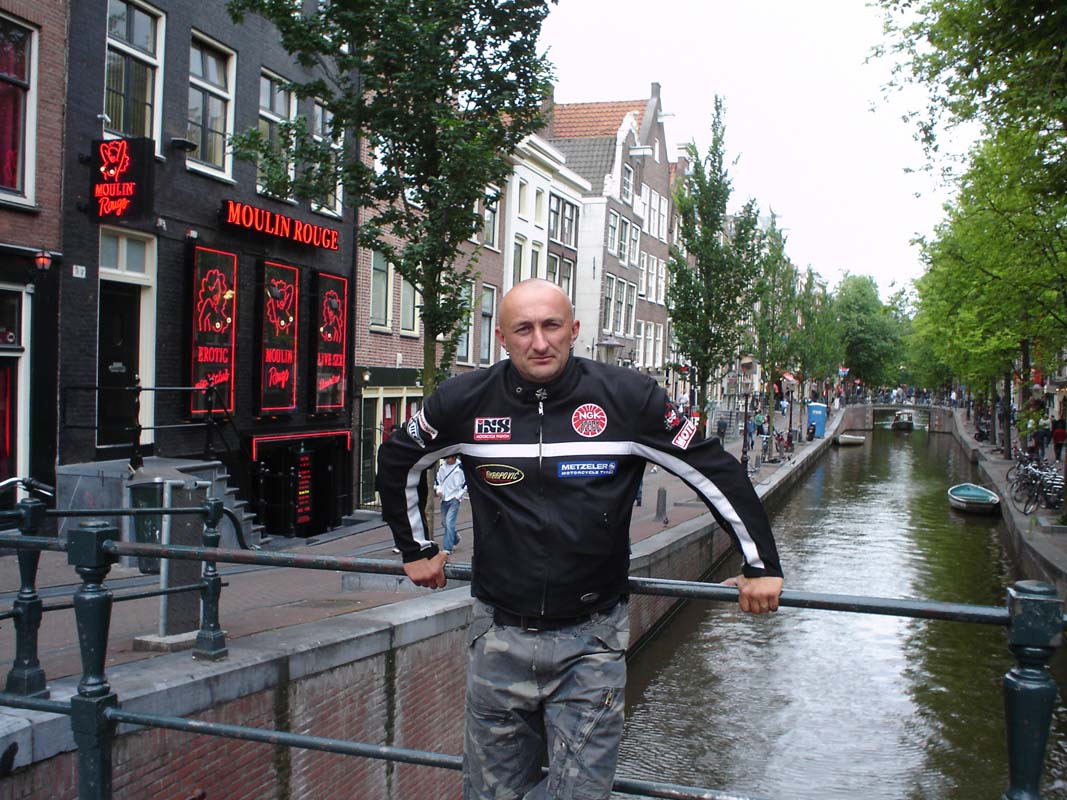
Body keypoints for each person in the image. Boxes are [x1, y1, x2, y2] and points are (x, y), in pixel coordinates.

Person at [376, 279, 783, 800]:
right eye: (524, 329)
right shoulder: (464, 400)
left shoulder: (629, 398)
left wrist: (760, 564)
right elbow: (399, 459)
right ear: (502, 337)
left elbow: (713, 469)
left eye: (551, 326)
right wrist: (415, 549)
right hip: (499, 635)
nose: (539, 342)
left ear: (574, 330)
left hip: (591, 642)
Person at [434, 454, 466, 554]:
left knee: (449, 522)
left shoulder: (461, 467)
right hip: (444, 498)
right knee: (445, 523)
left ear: (454, 457)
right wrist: (438, 490)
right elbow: (437, 479)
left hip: (454, 498)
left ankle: (448, 548)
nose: (447, 460)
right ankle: (455, 538)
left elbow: (466, 482)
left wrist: (459, 495)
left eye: (448, 458)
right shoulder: (442, 467)